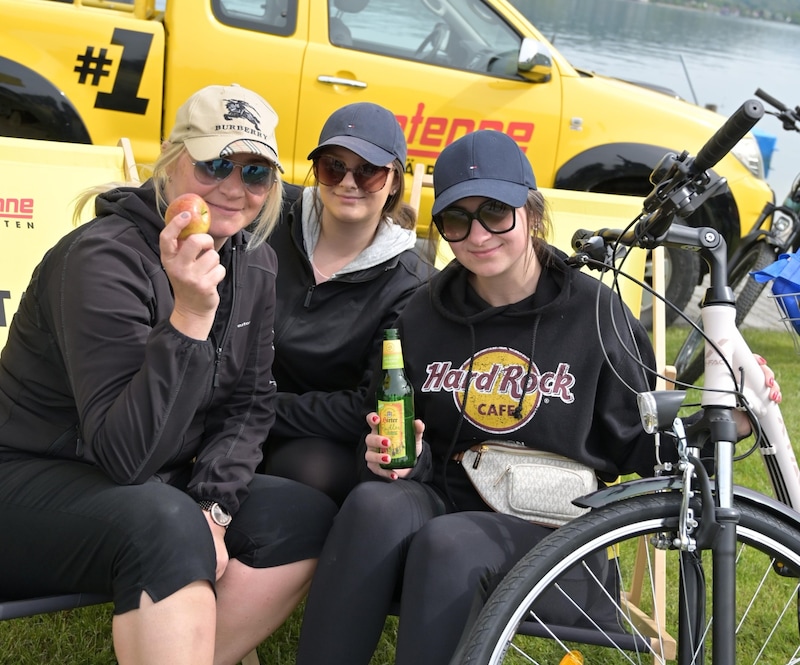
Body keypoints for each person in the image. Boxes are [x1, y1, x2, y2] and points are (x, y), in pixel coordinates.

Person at [294, 129, 781, 665]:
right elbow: (414, 444)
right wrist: (396, 461)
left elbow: (646, 450)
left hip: (559, 541)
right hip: (444, 506)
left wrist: (730, 421)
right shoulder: (423, 314)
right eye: (457, 220)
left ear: (530, 211)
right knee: (372, 504)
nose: (478, 234)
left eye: (496, 212)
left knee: (448, 543)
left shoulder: (597, 315)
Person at [0, 84, 337, 665]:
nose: (234, 187)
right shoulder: (103, 259)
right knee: (166, 522)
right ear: (171, 159)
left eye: (256, 172)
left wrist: (215, 507)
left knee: (301, 516)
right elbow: (124, 455)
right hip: (35, 476)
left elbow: (251, 405)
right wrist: (189, 317)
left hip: (161, 479)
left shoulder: (254, 260)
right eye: (214, 164)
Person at [261, 101, 433, 505]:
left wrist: (260, 408)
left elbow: (370, 400)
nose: (348, 182)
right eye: (332, 167)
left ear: (394, 182)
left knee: (310, 473)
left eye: (368, 171)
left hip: (314, 433)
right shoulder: (268, 214)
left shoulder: (411, 281)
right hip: (226, 406)